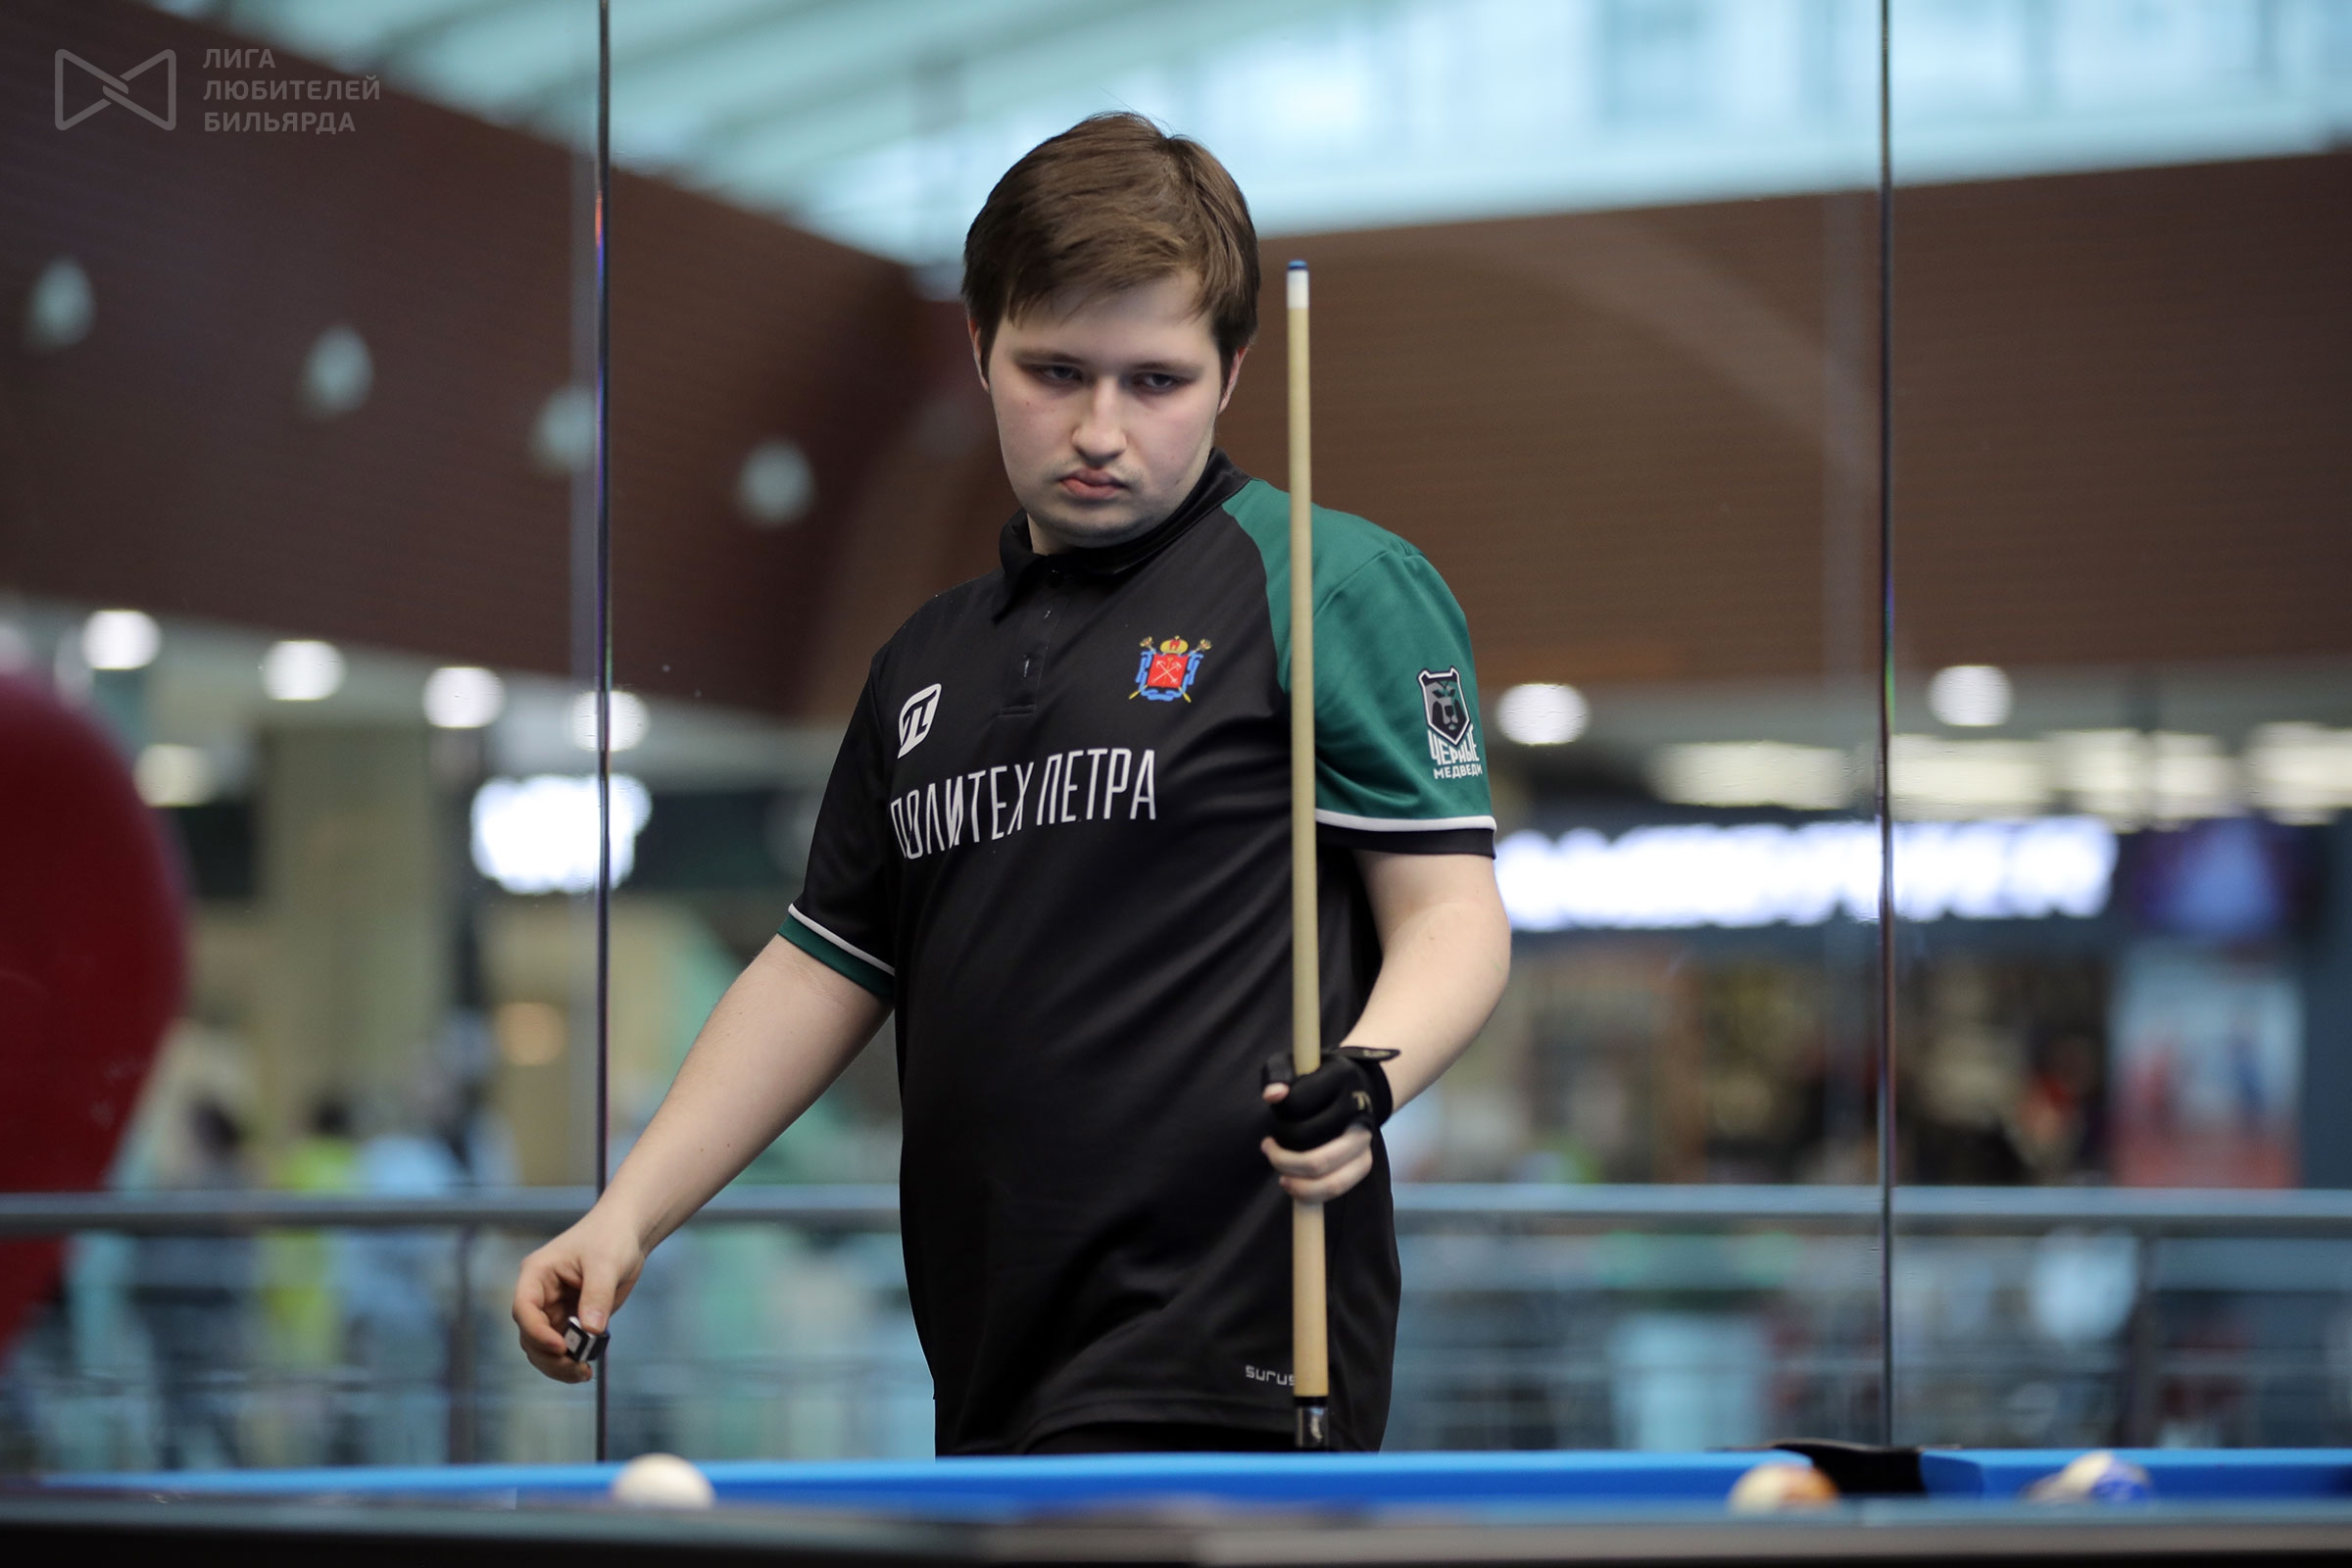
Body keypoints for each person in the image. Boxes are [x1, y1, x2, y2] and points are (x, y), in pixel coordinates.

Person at [513, 112, 1511, 1455]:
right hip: (986, 1340)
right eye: (1056, 371)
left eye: (1155, 380)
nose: (1101, 428)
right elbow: (820, 968)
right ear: (980, 346)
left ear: (1232, 373)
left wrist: (1369, 1081)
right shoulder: (924, 660)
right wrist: (626, 1214)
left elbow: (1452, 913)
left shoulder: (1329, 586)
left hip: (1229, 1340)